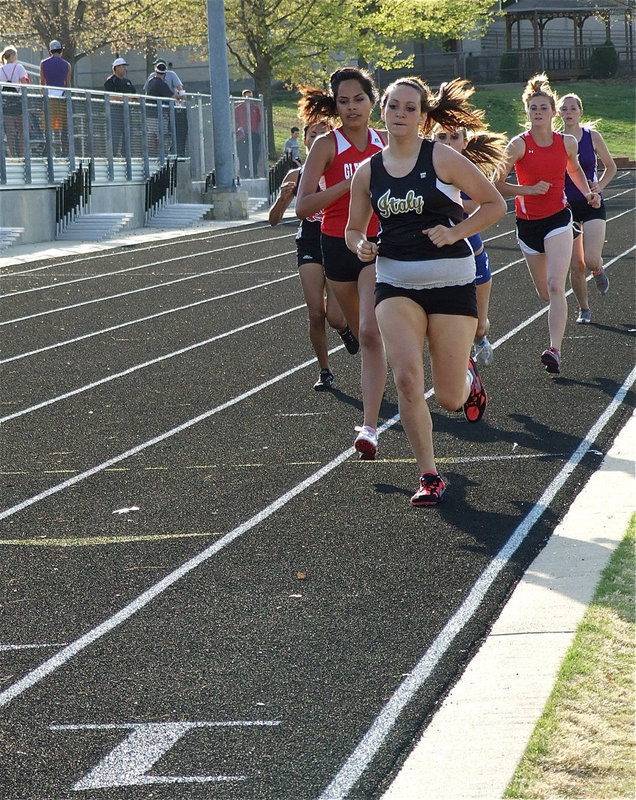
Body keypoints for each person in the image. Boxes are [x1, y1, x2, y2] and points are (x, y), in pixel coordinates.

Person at [346, 77, 506, 506]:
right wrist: (360, 245)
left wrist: (456, 231)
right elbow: (353, 230)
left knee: (450, 398)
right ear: (383, 110)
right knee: (408, 379)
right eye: (393, 106)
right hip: (395, 283)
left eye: (409, 108)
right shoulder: (369, 171)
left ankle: (468, 379)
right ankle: (429, 474)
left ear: (422, 115)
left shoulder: (442, 158)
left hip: (452, 281)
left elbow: (494, 205)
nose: (400, 114)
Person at [295, 67, 387, 459]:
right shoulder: (326, 146)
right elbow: (302, 207)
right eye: (344, 102)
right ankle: (392, 376)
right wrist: (348, 185)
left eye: (358, 100)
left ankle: (370, 425)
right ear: (335, 105)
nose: (351, 108)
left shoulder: (386, 141)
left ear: (372, 101)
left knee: (368, 332)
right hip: (336, 245)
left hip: (378, 243)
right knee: (360, 330)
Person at [495, 73, 600, 375]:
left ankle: (554, 350)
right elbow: (497, 183)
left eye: (543, 108)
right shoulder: (517, 145)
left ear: (554, 113)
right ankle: (556, 317)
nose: (538, 112)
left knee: (556, 285)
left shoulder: (566, 143)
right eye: (533, 108)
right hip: (528, 224)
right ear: (526, 113)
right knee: (545, 292)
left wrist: (589, 193)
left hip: (558, 219)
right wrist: (527, 190)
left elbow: (576, 171)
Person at [269, 119, 359, 390]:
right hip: (309, 243)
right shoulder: (294, 176)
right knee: (315, 313)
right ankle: (324, 370)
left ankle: (345, 329)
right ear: (306, 141)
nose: (318, 137)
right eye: (312, 134)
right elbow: (274, 220)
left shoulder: (342, 171)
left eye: (324, 133)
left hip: (335, 241)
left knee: (334, 316)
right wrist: (283, 200)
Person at [433, 124, 508, 367]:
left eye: (454, 137)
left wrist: (453, 205)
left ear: (465, 142)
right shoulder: (424, 169)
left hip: (471, 252)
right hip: (436, 255)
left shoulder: (470, 171)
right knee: (448, 321)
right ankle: (460, 366)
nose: (447, 142)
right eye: (441, 137)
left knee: (478, 324)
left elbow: (485, 209)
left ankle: (481, 338)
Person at [557, 93, 617, 324]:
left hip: (592, 202)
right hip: (565, 207)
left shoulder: (592, 137)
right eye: (565, 108)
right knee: (576, 265)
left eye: (573, 108)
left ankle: (598, 270)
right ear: (559, 113)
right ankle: (584, 308)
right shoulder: (555, 140)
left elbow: (610, 167)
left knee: (591, 259)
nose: (569, 112)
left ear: (581, 112)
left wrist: (598, 186)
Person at [39, 39, 71, 156]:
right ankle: (65, 150)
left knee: (48, 124)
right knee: (64, 125)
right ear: (61, 50)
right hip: (62, 96)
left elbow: (42, 82)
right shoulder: (67, 65)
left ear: (50, 51)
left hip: (49, 96)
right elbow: (67, 84)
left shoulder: (43, 63)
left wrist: (42, 94)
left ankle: (48, 148)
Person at [103, 57, 136, 157]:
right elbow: (110, 96)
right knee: (115, 135)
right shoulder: (110, 81)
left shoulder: (128, 82)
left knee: (128, 134)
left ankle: (126, 155)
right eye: (123, 66)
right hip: (115, 112)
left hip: (127, 112)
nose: (125, 69)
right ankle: (113, 156)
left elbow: (134, 95)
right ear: (116, 68)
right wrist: (125, 99)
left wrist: (135, 99)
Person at [0, 46, 28, 157]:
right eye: (16, 55)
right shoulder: (19, 67)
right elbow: (23, 83)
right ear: (12, 55)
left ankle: (12, 155)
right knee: (21, 130)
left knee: (10, 131)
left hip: (5, 102)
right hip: (18, 101)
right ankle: (22, 154)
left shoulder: (1, 69)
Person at [234, 89, 262, 177]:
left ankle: (254, 172)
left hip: (253, 133)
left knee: (255, 153)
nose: (249, 98)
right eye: (247, 97)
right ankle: (244, 172)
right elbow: (235, 121)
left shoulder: (255, 108)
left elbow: (258, 121)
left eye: (250, 96)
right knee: (243, 153)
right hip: (243, 134)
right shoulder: (238, 108)